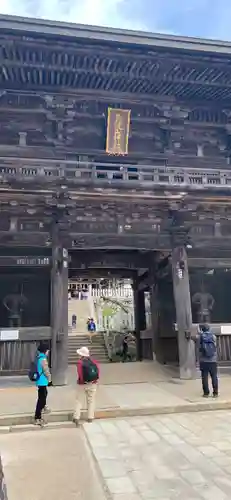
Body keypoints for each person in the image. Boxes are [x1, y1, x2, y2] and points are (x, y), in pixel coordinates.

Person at [73, 346, 99, 426]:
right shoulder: (94, 361)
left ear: (81, 355)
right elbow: (98, 372)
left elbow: (80, 375)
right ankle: (90, 417)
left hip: (82, 384)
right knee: (91, 400)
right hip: (93, 384)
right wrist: (94, 380)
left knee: (79, 401)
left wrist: (82, 381)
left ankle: (76, 417)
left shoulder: (80, 363)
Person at [198, 324, 218, 398]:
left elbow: (199, 348)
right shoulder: (213, 337)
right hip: (213, 360)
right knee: (214, 376)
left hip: (203, 361)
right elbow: (215, 347)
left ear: (202, 329)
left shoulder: (200, 337)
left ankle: (206, 393)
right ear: (209, 329)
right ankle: (215, 393)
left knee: (204, 377)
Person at [34, 342, 52, 426]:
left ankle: (43, 408)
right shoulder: (43, 360)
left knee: (42, 396)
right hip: (43, 381)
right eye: (48, 351)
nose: (48, 352)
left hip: (39, 381)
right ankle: (38, 417)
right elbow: (46, 371)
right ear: (45, 351)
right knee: (41, 399)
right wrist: (49, 380)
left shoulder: (38, 358)